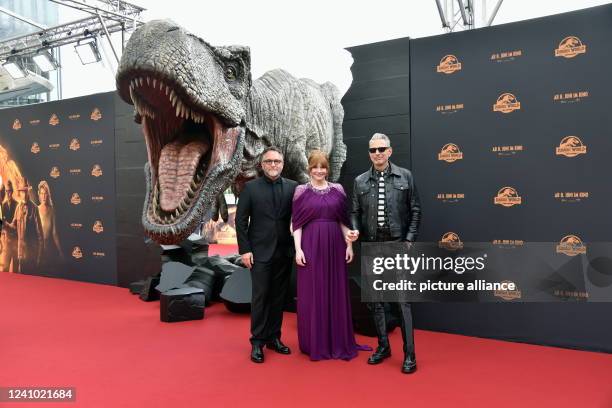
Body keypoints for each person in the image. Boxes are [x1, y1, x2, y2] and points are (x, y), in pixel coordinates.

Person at [349, 133, 421, 374]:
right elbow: (354, 212)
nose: (377, 153)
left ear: (390, 151)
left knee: (402, 303)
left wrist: (409, 240)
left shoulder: (405, 176)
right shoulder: (360, 181)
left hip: (397, 245)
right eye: (373, 150)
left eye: (382, 149)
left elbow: (416, 210)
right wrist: (356, 231)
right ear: (369, 153)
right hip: (371, 247)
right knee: (376, 302)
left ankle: (409, 354)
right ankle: (383, 347)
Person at [292, 150, 371, 360]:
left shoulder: (338, 189)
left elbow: (343, 222)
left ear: (328, 169)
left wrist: (349, 245)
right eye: (315, 167)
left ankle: (337, 339)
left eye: (323, 167)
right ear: (309, 169)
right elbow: (296, 224)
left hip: (335, 245)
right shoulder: (300, 190)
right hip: (310, 245)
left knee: (335, 290)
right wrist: (298, 249)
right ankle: (314, 341)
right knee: (313, 292)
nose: (319, 171)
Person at [236, 146, 298, 364]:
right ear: (262, 165)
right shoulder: (250, 188)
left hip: (284, 251)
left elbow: (299, 218)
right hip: (259, 252)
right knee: (261, 297)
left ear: (282, 164)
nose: (273, 165)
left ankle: (274, 338)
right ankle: (257, 342)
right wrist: (245, 250)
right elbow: (241, 221)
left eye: (277, 162)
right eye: (269, 161)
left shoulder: (293, 187)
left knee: (278, 298)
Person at [12, 178, 43, 274]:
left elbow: (40, 235)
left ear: (28, 192)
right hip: (21, 254)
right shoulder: (18, 208)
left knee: (32, 283)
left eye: (26, 192)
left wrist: (39, 256)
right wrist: (3, 223)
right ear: (20, 193)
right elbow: (13, 227)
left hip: (31, 255)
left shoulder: (34, 209)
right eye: (22, 192)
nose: (24, 194)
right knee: (22, 283)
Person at [37, 181, 64, 261]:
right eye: (42, 193)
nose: (44, 196)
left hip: (49, 250)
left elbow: (54, 233)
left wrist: (60, 251)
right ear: (39, 195)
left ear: (48, 195)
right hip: (38, 250)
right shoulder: (36, 209)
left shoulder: (52, 210)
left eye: (45, 193)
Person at [1, 181, 18, 272]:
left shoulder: (17, 205)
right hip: (6, 241)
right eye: (7, 191)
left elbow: (17, 225)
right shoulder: (2, 206)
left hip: (15, 241)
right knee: (5, 268)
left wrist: (6, 224)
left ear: (12, 191)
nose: (8, 193)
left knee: (15, 268)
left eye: (10, 191)